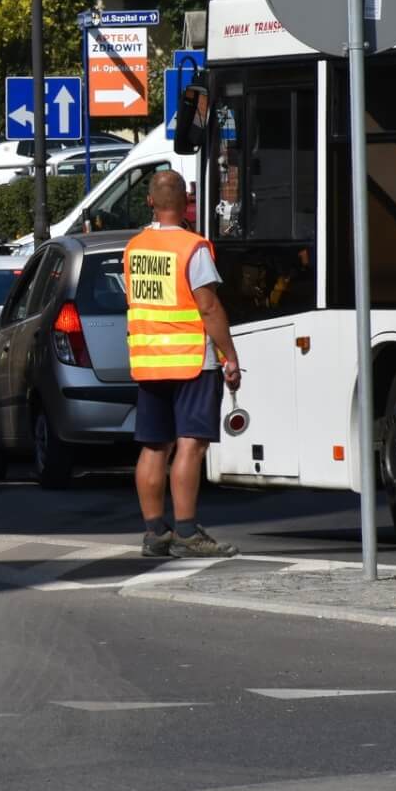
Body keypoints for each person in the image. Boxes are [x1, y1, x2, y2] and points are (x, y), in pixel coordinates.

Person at [124, 169, 242, 559]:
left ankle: (155, 532)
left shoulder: (135, 249)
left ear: (151, 202)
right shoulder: (193, 249)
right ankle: (188, 532)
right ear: (184, 203)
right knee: (190, 445)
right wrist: (230, 355)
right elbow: (208, 306)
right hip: (192, 360)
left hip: (148, 361)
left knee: (154, 447)